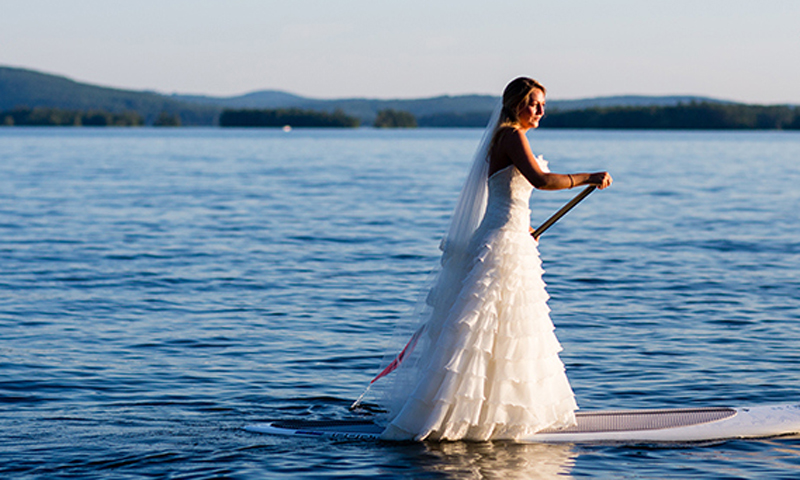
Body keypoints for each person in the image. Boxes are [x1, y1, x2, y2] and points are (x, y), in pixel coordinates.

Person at [378, 77, 612, 441]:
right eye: (534, 104)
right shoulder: (510, 136)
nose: (540, 112)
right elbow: (540, 180)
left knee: (510, 330)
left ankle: (495, 412)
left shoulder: (508, 137)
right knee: (484, 329)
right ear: (516, 103)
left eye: (544, 106)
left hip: (515, 239)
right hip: (502, 243)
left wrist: (527, 228)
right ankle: (459, 416)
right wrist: (588, 177)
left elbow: (513, 195)